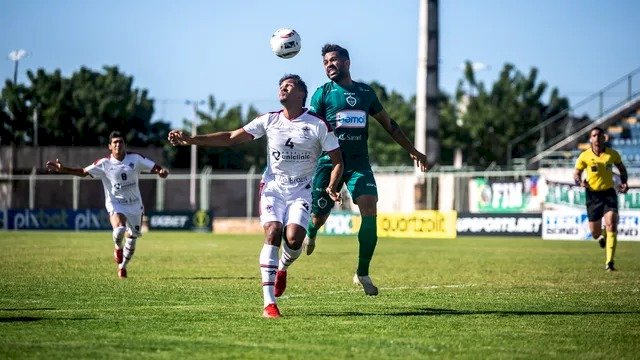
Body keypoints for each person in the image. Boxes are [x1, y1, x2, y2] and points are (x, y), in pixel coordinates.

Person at [168, 74, 343, 318]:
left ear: (301, 94)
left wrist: (333, 185)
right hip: (273, 187)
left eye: (289, 86)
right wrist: (191, 139)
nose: (282, 88)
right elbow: (230, 138)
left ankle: (282, 267)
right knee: (272, 231)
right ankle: (269, 303)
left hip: (302, 190)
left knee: (293, 240)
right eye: (281, 86)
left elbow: (338, 161)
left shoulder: (318, 124)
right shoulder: (269, 120)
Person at [303, 44, 428, 296]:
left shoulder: (365, 93)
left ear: (347, 63)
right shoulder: (322, 94)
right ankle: (312, 232)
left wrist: (412, 149)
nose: (329, 64)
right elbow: (309, 129)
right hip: (329, 163)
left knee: (369, 208)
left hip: (359, 163)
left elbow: (389, 124)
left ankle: (362, 272)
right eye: (325, 61)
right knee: (319, 216)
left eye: (334, 60)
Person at [45, 130, 169, 279]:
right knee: (120, 229)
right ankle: (117, 247)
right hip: (116, 203)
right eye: (115, 142)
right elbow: (84, 171)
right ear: (110, 146)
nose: (118, 145)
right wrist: (63, 169)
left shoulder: (135, 159)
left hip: (135, 205)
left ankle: (122, 266)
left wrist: (161, 171)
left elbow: (155, 166)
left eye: (120, 142)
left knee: (132, 238)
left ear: (124, 144)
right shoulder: (104, 163)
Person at [573, 127, 628, 271]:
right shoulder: (584, 156)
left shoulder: (612, 154)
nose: (597, 138)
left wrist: (624, 182)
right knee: (595, 233)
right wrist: (580, 182)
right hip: (592, 195)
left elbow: (622, 169)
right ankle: (601, 235)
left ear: (605, 138)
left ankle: (609, 262)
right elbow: (576, 174)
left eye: (599, 135)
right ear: (590, 139)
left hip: (609, 193)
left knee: (612, 223)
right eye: (594, 135)